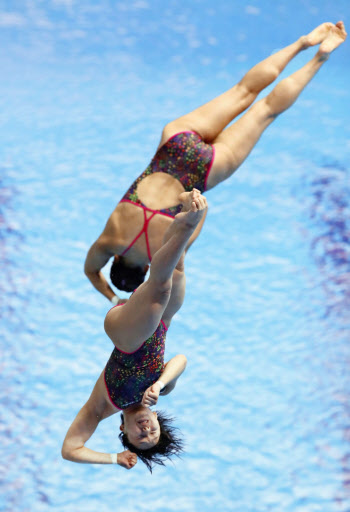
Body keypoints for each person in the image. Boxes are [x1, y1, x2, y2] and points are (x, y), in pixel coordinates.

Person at [84, 21, 347, 304]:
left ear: (146, 269)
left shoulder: (167, 253)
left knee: (267, 110)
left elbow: (201, 211)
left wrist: (122, 303)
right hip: (175, 145)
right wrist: (110, 295)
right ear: (116, 260)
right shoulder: (109, 240)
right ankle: (303, 43)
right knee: (242, 90)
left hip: (206, 168)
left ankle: (321, 56)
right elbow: (90, 271)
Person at [62, 190, 207, 471]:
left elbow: (70, 449)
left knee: (161, 289)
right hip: (161, 324)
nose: (146, 432)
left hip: (125, 335)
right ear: (155, 418)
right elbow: (182, 360)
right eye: (153, 432)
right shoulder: (161, 390)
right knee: (176, 272)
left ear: (124, 432)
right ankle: (180, 215)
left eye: (140, 439)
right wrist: (160, 383)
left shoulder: (104, 406)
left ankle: (190, 221)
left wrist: (113, 458)